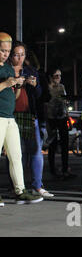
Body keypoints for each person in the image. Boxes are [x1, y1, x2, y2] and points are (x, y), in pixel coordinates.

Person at [0, 32, 43, 205]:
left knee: (16, 155)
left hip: (10, 117)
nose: (6, 54)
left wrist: (18, 84)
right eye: (2, 50)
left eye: (7, 51)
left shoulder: (9, 68)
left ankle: (20, 190)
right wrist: (5, 84)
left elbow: (15, 96)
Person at [9, 42, 54, 198]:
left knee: (35, 150)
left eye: (22, 54)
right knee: (15, 153)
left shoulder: (30, 71)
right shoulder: (5, 70)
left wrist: (35, 85)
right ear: (10, 55)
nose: (20, 58)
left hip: (28, 114)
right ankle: (16, 186)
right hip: (10, 115)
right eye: (16, 54)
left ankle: (37, 185)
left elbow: (41, 95)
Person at [46, 68, 74, 178]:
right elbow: (45, 104)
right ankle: (53, 170)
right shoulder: (47, 88)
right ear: (50, 77)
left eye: (60, 75)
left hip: (62, 117)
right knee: (52, 145)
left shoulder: (62, 87)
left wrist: (68, 119)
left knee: (64, 144)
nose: (58, 78)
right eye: (56, 75)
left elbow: (65, 103)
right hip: (51, 117)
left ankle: (65, 168)